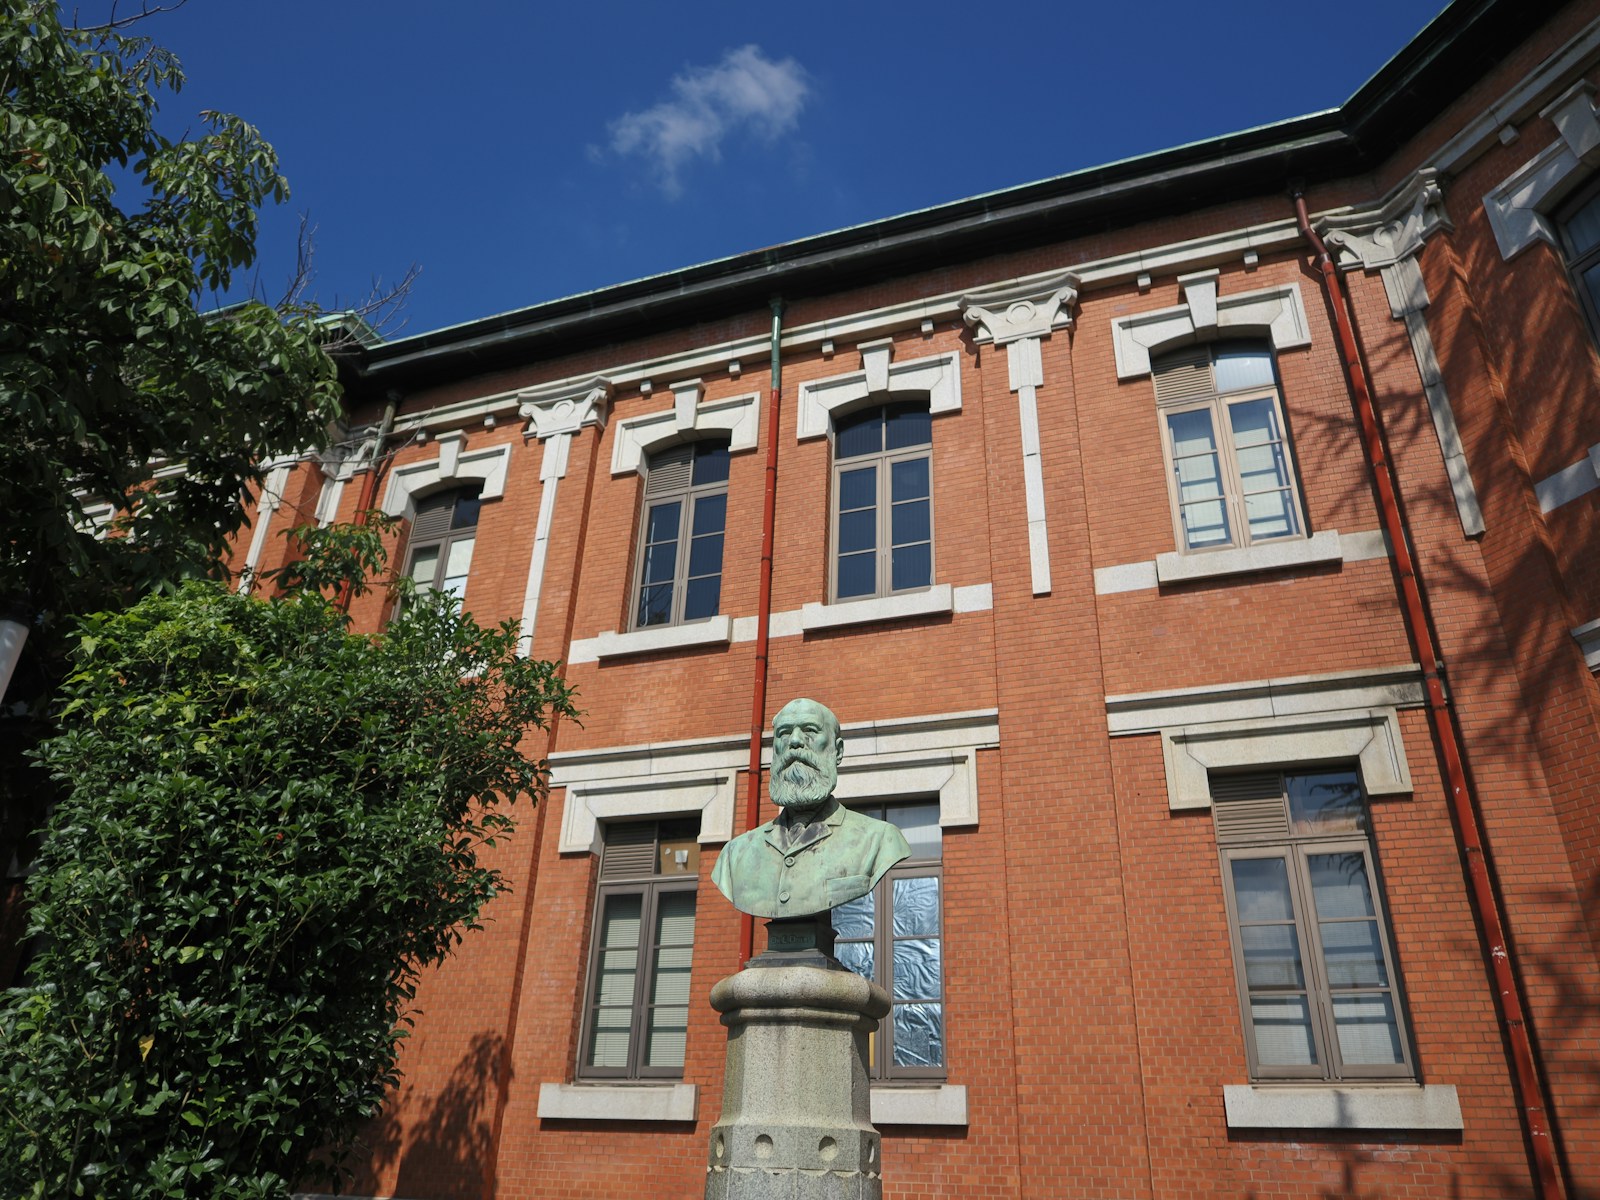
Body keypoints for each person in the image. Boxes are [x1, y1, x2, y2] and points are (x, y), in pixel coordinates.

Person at [711, 698, 910, 919]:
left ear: (838, 751)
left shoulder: (879, 840)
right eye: (784, 733)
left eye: (810, 730)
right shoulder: (735, 855)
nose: (795, 741)